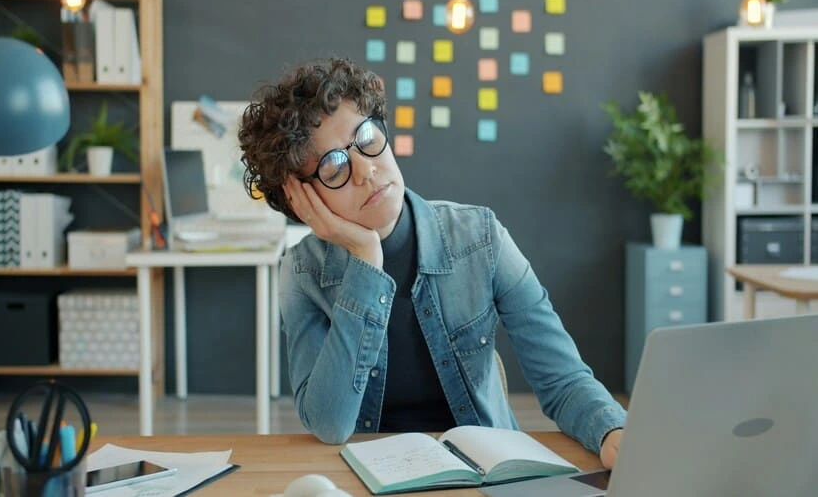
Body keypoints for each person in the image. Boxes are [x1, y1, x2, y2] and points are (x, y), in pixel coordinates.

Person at [238, 57, 626, 468]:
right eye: (333, 165)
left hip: (489, 474)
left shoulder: (481, 237)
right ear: (303, 199)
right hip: (371, 476)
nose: (365, 170)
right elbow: (329, 423)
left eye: (366, 136)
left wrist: (612, 430)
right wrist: (367, 262)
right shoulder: (302, 273)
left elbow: (562, 379)